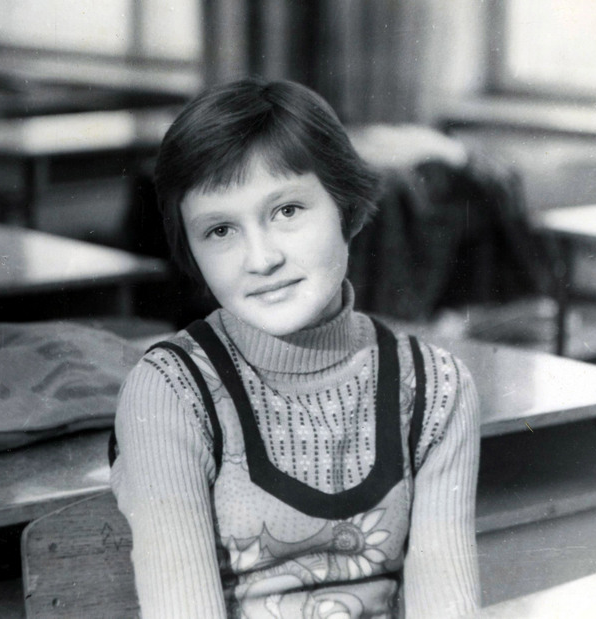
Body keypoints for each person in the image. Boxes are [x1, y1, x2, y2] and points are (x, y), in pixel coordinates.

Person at [110, 77, 480, 618]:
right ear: (190, 248)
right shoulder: (171, 392)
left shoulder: (435, 387)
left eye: (286, 211)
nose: (261, 260)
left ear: (345, 205)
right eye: (220, 230)